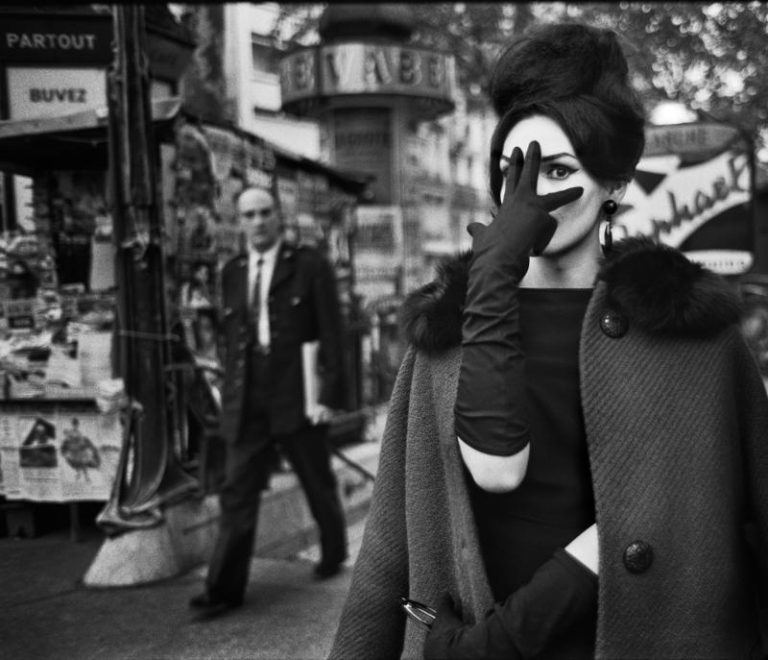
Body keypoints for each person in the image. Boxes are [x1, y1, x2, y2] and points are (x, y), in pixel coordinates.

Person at [329, 22, 768, 659]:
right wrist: (490, 282)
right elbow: (389, 550)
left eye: (556, 169)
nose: (528, 196)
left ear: (615, 184)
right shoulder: (445, 338)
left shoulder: (693, 333)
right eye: (512, 171)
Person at [189, 186, 348, 619]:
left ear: (278, 217)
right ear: (238, 222)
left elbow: (333, 333)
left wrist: (329, 397)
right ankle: (223, 588)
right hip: (248, 401)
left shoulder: (309, 266)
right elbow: (230, 337)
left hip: (297, 395)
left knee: (318, 482)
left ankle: (333, 551)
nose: (257, 222)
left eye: (264, 213)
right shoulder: (233, 272)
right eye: (249, 215)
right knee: (236, 491)